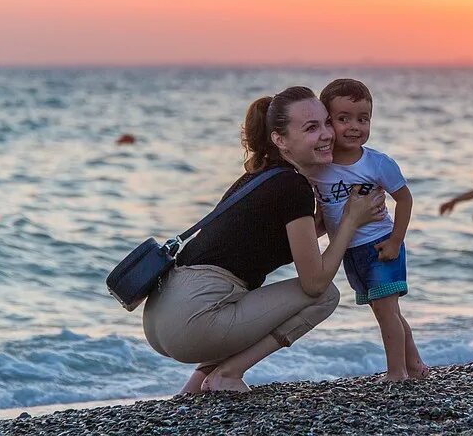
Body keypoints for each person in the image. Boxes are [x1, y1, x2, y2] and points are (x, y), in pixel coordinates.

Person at [141, 87, 387, 394]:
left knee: (250, 304)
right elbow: (314, 284)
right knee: (326, 296)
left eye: (326, 123)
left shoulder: (261, 177)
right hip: (194, 318)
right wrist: (351, 219)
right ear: (280, 140)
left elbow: (255, 245)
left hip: (160, 315)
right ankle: (227, 374)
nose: (327, 134)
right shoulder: (292, 186)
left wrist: (328, 224)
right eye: (311, 128)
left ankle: (197, 383)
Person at [305, 79, 428, 382]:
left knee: (387, 313)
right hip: (349, 249)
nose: (354, 126)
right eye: (343, 119)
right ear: (328, 122)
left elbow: (404, 198)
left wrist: (396, 241)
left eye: (363, 119)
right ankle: (415, 365)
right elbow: (324, 213)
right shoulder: (320, 166)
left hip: (379, 245)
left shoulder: (377, 163)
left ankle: (397, 373)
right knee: (388, 312)